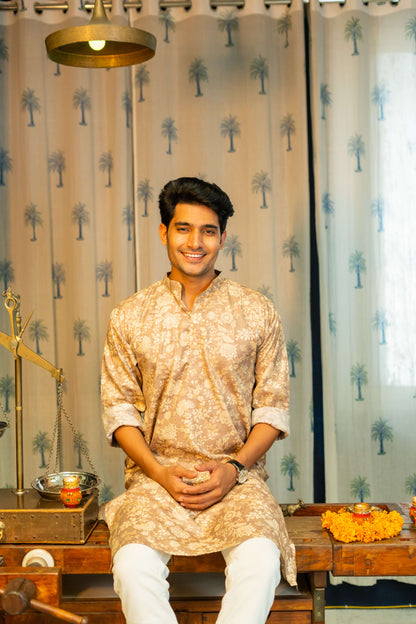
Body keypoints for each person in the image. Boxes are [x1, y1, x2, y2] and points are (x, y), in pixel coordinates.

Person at [101, 177, 297, 624]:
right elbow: (119, 411)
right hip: (154, 482)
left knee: (261, 562)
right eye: (184, 228)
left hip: (239, 481)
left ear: (222, 238)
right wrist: (159, 472)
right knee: (132, 569)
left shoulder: (256, 311)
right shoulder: (130, 316)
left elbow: (271, 408)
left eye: (208, 231)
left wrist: (233, 469)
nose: (196, 242)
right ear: (164, 232)